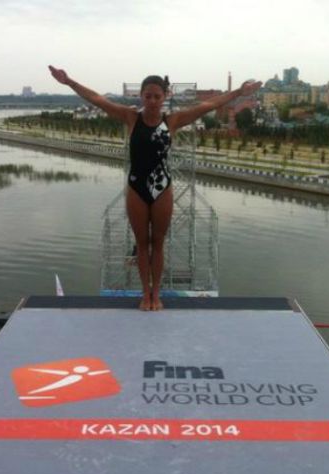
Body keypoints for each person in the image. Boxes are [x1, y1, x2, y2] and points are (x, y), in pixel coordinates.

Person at [49, 66, 261, 311]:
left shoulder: (172, 121)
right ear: (141, 96)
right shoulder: (131, 118)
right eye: (147, 96)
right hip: (137, 188)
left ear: (164, 97)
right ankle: (145, 293)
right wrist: (69, 82)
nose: (151, 101)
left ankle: (156, 294)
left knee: (158, 243)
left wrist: (239, 92)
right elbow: (97, 99)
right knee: (141, 243)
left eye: (156, 96)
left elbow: (209, 105)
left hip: (162, 188)